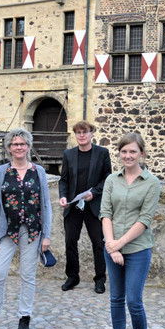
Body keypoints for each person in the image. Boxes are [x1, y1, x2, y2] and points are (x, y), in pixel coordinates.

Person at [0, 128, 52, 329]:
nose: (18, 147)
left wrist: (47, 235)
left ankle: (24, 317)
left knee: (28, 275)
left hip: (32, 231)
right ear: (9, 148)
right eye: (14, 144)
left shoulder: (39, 172)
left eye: (22, 144)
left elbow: (45, 205)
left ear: (28, 146)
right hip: (6, 230)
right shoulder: (1, 172)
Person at [100, 132, 160, 329]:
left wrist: (119, 244)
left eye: (133, 151)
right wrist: (111, 244)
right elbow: (106, 213)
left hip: (137, 249)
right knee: (116, 299)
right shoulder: (111, 180)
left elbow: (144, 220)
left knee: (134, 301)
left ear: (141, 154)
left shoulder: (151, 183)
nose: (128, 155)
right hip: (112, 246)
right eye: (124, 151)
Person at [59, 121, 112, 293]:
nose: (81, 135)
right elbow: (64, 180)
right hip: (73, 205)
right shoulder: (69, 154)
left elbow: (107, 178)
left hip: (94, 205)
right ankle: (72, 277)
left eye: (85, 132)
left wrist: (95, 193)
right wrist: (63, 197)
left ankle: (100, 279)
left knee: (98, 242)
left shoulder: (102, 153)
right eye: (78, 132)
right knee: (70, 242)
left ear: (92, 134)